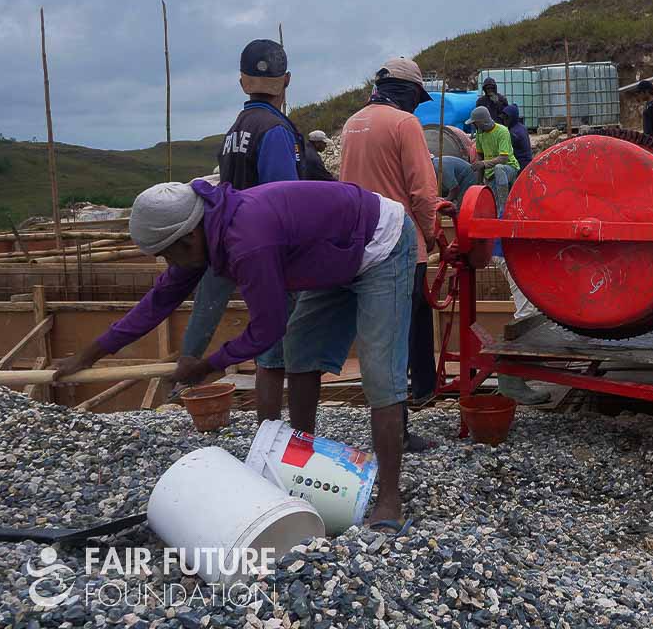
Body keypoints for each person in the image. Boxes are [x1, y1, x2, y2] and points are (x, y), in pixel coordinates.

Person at [53, 177, 418, 530]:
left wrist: (210, 366)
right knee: (301, 353)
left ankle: (390, 499)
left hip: (380, 242)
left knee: (379, 373)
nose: (169, 264)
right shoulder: (203, 235)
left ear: (189, 236)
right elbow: (158, 301)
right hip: (334, 251)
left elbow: (267, 328)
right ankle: (299, 466)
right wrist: (88, 355)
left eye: (168, 254)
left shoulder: (248, 241)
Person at [178, 38, 333, 418]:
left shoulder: (236, 129)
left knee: (269, 342)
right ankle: (287, 435)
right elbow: (283, 201)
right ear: (288, 80)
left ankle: (268, 427)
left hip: (238, 243)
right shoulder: (275, 130)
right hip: (271, 252)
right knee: (287, 343)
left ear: (242, 82)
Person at [339, 58, 449, 441]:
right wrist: (433, 232)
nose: (418, 106)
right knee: (401, 330)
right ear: (408, 93)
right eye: (417, 98)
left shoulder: (353, 123)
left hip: (362, 244)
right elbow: (422, 191)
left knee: (383, 330)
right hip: (401, 245)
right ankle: (398, 428)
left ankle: (421, 389)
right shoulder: (405, 124)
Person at [468, 104, 549, 405]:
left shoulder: (504, 141)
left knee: (533, 305)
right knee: (527, 310)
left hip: (504, 251)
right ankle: (513, 377)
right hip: (505, 255)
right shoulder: (510, 206)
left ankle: (527, 363)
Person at [505, 103, 533, 172]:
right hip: (528, 162)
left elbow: (505, 150)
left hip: (521, 164)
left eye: (506, 118)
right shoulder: (522, 127)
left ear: (511, 118)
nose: (504, 121)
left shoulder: (513, 132)